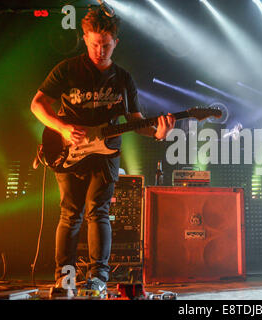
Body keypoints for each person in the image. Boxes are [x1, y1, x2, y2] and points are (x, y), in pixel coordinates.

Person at [30, 8, 175, 295]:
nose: (100, 50)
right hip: (69, 150)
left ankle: (99, 277)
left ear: (115, 43)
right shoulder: (67, 69)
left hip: (107, 153)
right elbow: (37, 105)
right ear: (84, 39)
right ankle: (65, 278)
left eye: (106, 44)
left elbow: (136, 123)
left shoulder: (123, 79)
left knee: (99, 212)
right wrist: (62, 128)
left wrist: (159, 133)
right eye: (94, 43)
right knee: (71, 213)